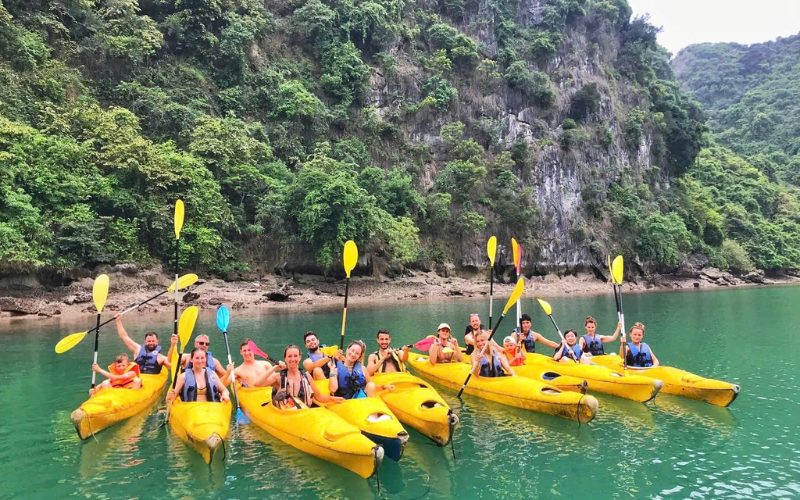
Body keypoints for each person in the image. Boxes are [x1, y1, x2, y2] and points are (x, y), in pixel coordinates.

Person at [263, 345, 343, 409]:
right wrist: (274, 368)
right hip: (286, 414)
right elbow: (256, 384)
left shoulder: (307, 376)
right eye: (289, 356)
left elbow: (319, 397)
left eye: (295, 356)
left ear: (300, 357)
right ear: (285, 358)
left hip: (303, 412)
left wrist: (333, 399)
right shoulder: (278, 377)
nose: (293, 359)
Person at [329, 341, 394, 399]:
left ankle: (371, 409)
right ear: (347, 349)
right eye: (352, 350)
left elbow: (372, 387)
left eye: (357, 353)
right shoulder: (336, 369)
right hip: (345, 403)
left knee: (370, 385)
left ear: (359, 356)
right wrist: (331, 370)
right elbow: (333, 389)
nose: (353, 354)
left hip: (359, 401)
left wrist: (384, 387)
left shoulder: (362, 369)